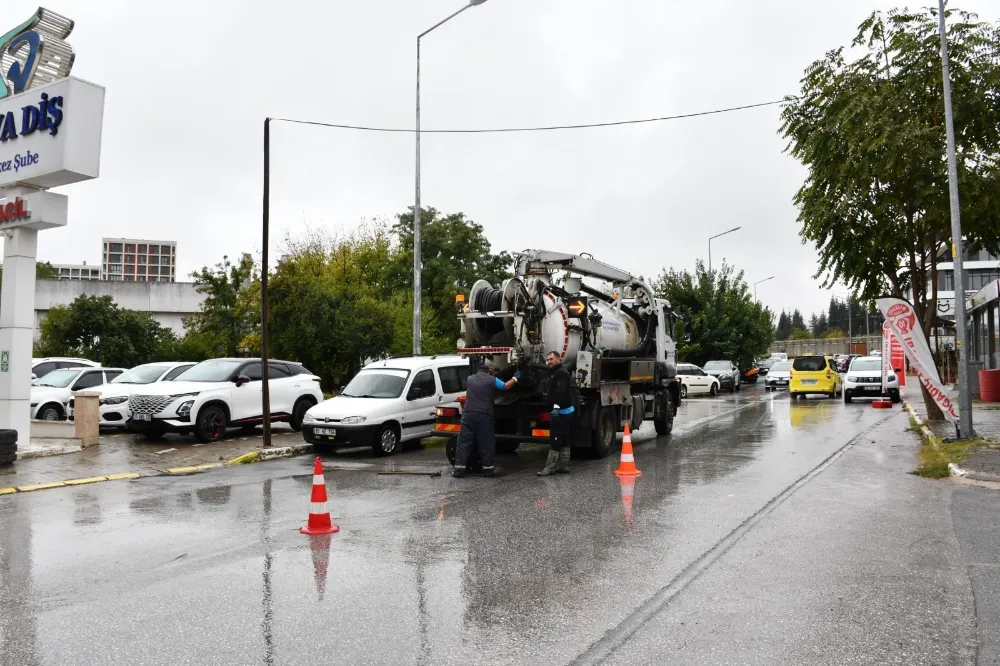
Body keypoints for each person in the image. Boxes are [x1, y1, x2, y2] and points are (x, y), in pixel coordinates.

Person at [452, 360, 518, 478]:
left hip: (468, 414)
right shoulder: (492, 380)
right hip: (484, 414)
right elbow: (506, 386)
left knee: (464, 441)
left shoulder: (470, 379)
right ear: (489, 371)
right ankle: (488, 470)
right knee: (486, 442)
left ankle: (459, 470)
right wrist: (515, 378)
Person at [538, 350, 574, 476]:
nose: (549, 362)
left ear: (559, 359)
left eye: (551, 359)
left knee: (556, 437)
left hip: (560, 411)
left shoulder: (560, 374)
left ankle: (550, 467)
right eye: (548, 360)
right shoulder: (558, 372)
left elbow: (560, 393)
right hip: (565, 410)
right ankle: (564, 465)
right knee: (564, 437)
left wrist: (555, 410)